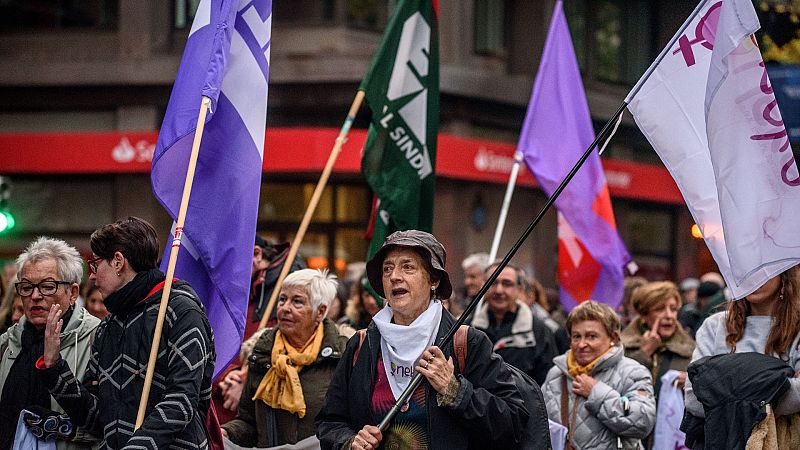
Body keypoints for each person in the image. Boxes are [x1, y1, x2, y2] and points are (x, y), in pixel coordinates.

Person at [316, 230, 530, 449]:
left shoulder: (466, 343)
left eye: (407, 267)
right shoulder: (362, 345)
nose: (394, 276)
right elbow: (330, 421)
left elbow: (513, 421)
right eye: (387, 269)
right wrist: (350, 441)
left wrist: (455, 390)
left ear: (434, 280)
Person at [37, 216, 216, 449]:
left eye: (95, 264)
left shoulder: (181, 311)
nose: (91, 276)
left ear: (118, 262)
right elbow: (97, 419)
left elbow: (181, 402)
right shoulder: (107, 328)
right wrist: (54, 369)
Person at [221, 268, 348, 446]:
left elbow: (348, 424)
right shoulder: (262, 353)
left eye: (297, 302)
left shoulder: (342, 355)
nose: (285, 308)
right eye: (282, 299)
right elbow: (248, 422)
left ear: (320, 312)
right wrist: (227, 432)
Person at [0, 237, 101, 449]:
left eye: (47, 286)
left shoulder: (98, 339)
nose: (35, 296)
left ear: (72, 292)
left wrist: (64, 429)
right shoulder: (6, 345)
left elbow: (111, 423)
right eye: (26, 287)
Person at [685, 266, 800, 423]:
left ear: (784, 274)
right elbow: (694, 397)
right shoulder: (715, 325)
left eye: (761, 268)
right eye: (745, 266)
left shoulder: (797, 328)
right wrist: (777, 386)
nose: (751, 276)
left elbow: (797, 396)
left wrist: (723, 387)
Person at [542, 300, 656, 450]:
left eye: (591, 336)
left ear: (612, 338)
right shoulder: (556, 374)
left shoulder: (632, 372)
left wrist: (596, 392)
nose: (582, 344)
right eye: (576, 336)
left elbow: (643, 422)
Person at [469, 262, 558, 385]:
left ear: (519, 289)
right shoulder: (468, 328)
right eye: (493, 282)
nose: (499, 290)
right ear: (483, 286)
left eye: (507, 284)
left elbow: (548, 383)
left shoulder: (538, 331)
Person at [620, 281, 695, 397]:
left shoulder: (690, 349)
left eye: (673, 309)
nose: (669, 316)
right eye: (660, 309)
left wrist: (690, 382)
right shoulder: (621, 347)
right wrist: (644, 353)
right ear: (644, 315)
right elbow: (618, 384)